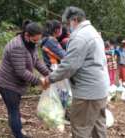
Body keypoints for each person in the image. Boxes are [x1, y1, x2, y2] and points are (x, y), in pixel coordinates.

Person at [44, 6, 110, 138]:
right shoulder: (93, 32)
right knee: (98, 126)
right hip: (100, 89)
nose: (68, 27)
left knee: (81, 127)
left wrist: (49, 79)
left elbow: (69, 65)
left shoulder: (80, 36)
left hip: (87, 93)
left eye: (68, 23)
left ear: (74, 20)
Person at [0, 20, 50, 138]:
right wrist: (39, 81)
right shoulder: (17, 46)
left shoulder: (30, 44)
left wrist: (48, 74)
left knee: (14, 108)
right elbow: (21, 71)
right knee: (13, 110)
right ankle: (18, 134)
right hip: (7, 84)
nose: (37, 43)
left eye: (38, 40)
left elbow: (36, 61)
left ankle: (15, 126)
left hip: (16, 83)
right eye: (35, 40)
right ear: (26, 35)